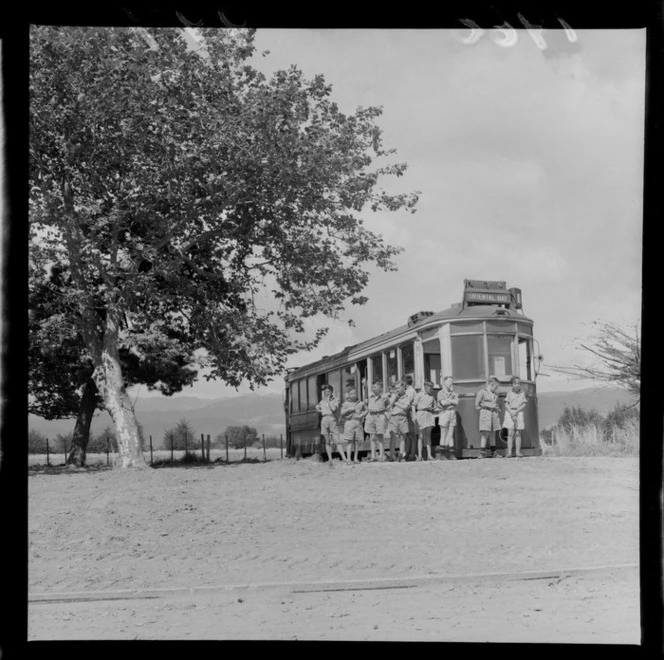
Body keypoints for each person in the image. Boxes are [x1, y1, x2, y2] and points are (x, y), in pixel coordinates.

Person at [475, 376, 502, 458]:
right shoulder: (482, 392)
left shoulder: (495, 395)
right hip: (486, 414)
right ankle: (482, 453)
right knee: (485, 433)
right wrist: (485, 409)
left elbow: (497, 405)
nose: (496, 389)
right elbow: (476, 406)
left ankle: (494, 453)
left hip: (494, 414)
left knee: (493, 433)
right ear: (491, 384)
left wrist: (496, 408)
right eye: (496, 387)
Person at [387, 380, 414, 462]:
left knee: (403, 437)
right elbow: (389, 406)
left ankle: (401, 455)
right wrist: (394, 397)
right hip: (394, 417)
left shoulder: (408, 396)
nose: (397, 389)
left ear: (403, 387)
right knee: (393, 436)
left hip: (403, 417)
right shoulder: (394, 396)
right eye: (396, 388)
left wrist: (395, 403)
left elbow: (405, 407)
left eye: (399, 388)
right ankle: (392, 455)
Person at [338, 388, 367, 463]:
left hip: (358, 423)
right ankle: (348, 459)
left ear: (357, 394)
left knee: (357, 441)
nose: (353, 395)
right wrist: (348, 410)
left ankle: (355, 458)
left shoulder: (361, 403)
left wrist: (361, 415)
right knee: (349, 441)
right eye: (351, 394)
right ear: (349, 394)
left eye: (354, 393)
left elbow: (367, 410)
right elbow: (341, 413)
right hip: (349, 423)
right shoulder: (346, 403)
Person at [365, 381, 391, 462]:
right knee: (372, 436)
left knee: (380, 436)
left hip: (380, 416)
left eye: (375, 387)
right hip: (371, 416)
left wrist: (386, 411)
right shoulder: (370, 395)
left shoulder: (384, 396)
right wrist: (367, 408)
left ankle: (382, 456)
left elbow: (388, 405)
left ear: (380, 388)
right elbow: (366, 404)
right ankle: (373, 456)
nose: (373, 389)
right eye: (373, 387)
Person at [315, 384, 340, 464]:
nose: (327, 393)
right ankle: (330, 459)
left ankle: (344, 458)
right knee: (327, 440)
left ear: (332, 392)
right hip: (324, 420)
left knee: (337, 440)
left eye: (329, 391)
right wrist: (319, 410)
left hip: (332, 419)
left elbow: (334, 409)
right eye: (325, 392)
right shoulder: (322, 401)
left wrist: (328, 401)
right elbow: (318, 408)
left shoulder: (335, 400)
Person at [503, 376, 527, 458]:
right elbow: (506, 404)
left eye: (518, 384)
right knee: (510, 433)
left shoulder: (522, 393)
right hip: (510, 412)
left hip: (519, 412)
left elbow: (524, 404)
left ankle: (518, 452)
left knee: (518, 433)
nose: (517, 385)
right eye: (515, 383)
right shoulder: (509, 393)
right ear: (512, 384)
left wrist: (516, 411)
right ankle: (509, 452)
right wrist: (511, 412)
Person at [436, 376, 459, 460]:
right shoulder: (440, 393)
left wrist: (449, 401)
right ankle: (442, 454)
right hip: (444, 413)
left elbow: (456, 402)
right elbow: (442, 403)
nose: (451, 383)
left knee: (450, 434)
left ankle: (451, 453)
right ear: (444, 382)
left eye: (451, 381)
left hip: (452, 413)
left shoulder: (453, 393)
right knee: (443, 434)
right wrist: (451, 401)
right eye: (449, 381)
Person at [414, 380, 436, 461]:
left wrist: (432, 409)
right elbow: (414, 405)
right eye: (431, 388)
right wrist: (414, 415)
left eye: (432, 388)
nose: (432, 390)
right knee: (420, 436)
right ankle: (420, 455)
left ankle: (429, 455)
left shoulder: (432, 397)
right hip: (421, 415)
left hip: (429, 415)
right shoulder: (419, 395)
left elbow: (435, 407)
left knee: (428, 436)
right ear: (426, 387)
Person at [403, 375, 418, 460]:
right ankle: (408, 452)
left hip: (411, 413)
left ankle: (412, 454)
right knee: (408, 434)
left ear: (405, 382)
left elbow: (408, 402)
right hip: (407, 413)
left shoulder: (411, 391)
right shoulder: (407, 391)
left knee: (412, 434)